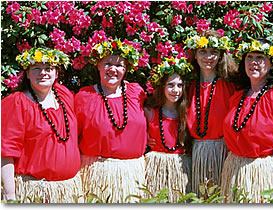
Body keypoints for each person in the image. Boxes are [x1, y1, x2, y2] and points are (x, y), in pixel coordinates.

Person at [221, 38, 273, 203]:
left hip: (264, 174)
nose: (254, 62)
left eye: (260, 58)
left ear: (271, 64)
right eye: (249, 57)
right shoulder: (238, 95)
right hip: (235, 172)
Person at [1, 47, 82, 203]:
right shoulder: (16, 103)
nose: (43, 73)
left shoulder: (64, 96)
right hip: (34, 191)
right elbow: (5, 153)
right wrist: (9, 195)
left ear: (57, 73)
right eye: (36, 68)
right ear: (27, 73)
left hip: (68, 191)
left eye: (48, 68)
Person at [75, 38, 148, 203]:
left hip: (132, 173)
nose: (113, 69)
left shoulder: (137, 93)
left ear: (126, 69)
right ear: (98, 66)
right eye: (107, 63)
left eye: (119, 65)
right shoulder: (84, 97)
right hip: (96, 172)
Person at [184, 30, 238, 197]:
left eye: (213, 52)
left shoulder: (231, 85)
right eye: (203, 52)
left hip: (223, 152)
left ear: (221, 55)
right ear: (195, 54)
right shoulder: (188, 86)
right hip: (197, 153)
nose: (208, 57)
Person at [144, 56, 193, 202]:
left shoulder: (188, 113)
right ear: (161, 87)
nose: (175, 90)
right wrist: (144, 137)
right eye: (170, 85)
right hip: (156, 168)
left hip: (181, 167)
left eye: (180, 85)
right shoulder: (149, 111)